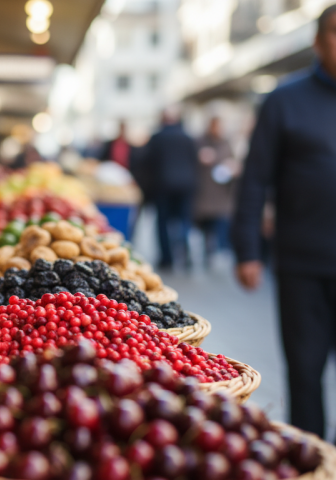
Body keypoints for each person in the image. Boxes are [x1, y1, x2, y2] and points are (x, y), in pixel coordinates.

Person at [233, 4, 336, 440]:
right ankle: (311, 455)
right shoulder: (284, 100)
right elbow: (254, 179)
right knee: (305, 371)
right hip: (302, 264)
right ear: (318, 41)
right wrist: (247, 250)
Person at [139, 109, 199, 269]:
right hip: (185, 185)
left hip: (163, 185)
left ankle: (167, 258)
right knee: (184, 221)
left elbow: (146, 162)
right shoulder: (187, 137)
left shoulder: (157, 138)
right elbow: (195, 160)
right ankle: (185, 254)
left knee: (163, 222)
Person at [194, 117, 237, 265]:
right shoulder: (199, 142)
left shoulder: (226, 143)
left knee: (220, 222)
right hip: (204, 191)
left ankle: (219, 250)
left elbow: (233, 162)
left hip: (221, 192)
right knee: (206, 224)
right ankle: (208, 251)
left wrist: (232, 168)